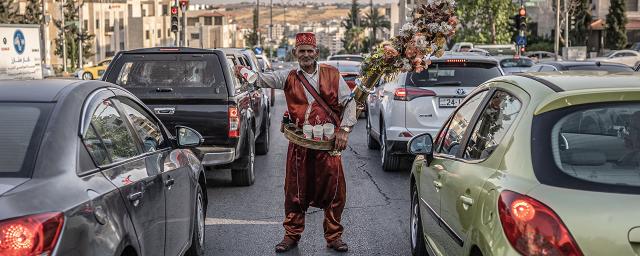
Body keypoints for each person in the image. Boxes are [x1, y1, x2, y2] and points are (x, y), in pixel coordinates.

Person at [236, 32, 356, 253]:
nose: (306, 55)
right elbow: (261, 79)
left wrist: (344, 130)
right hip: (299, 146)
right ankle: (291, 235)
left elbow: (349, 103)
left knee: (334, 191)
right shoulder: (288, 76)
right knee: (294, 192)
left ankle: (334, 236)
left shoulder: (332, 74)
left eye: (310, 51)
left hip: (328, 147)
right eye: (302, 51)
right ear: (295, 53)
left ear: (317, 53)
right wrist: (240, 70)